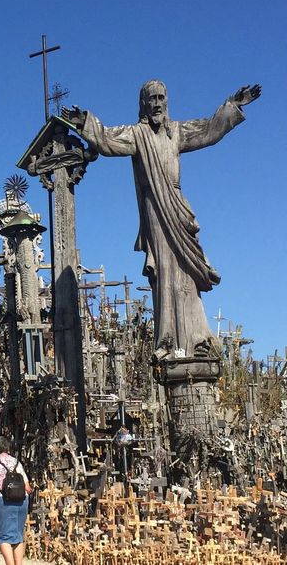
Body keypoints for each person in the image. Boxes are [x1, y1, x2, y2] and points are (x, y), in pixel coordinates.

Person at [60, 82, 260, 360]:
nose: (156, 103)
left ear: (167, 102)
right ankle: (168, 339)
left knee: (188, 273)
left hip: (177, 207)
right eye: (151, 99)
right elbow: (107, 140)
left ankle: (196, 336)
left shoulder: (176, 132)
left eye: (161, 98)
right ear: (143, 104)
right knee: (166, 270)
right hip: (156, 209)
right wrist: (85, 122)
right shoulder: (137, 135)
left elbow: (208, 131)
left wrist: (233, 105)